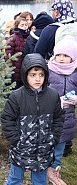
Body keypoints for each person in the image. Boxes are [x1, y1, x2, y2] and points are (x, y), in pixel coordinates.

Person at [1, 53, 65, 185]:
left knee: (40, 181)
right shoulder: (16, 97)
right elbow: (7, 119)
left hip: (44, 151)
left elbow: (59, 117)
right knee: (15, 179)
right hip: (21, 150)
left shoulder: (52, 96)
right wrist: (16, 140)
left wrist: (53, 137)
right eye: (33, 75)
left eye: (41, 75)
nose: (37, 79)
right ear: (25, 75)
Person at [47, 38, 77, 185]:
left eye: (66, 56)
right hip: (48, 117)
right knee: (46, 145)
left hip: (67, 118)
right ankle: (41, 170)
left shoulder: (75, 73)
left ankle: (54, 171)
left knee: (60, 147)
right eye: (59, 55)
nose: (61, 59)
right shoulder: (47, 70)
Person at [4, 16, 29, 90]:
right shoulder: (13, 38)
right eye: (22, 25)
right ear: (17, 26)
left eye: (25, 25)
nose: (24, 27)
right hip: (15, 70)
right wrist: (11, 69)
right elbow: (8, 55)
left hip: (24, 68)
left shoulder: (28, 37)